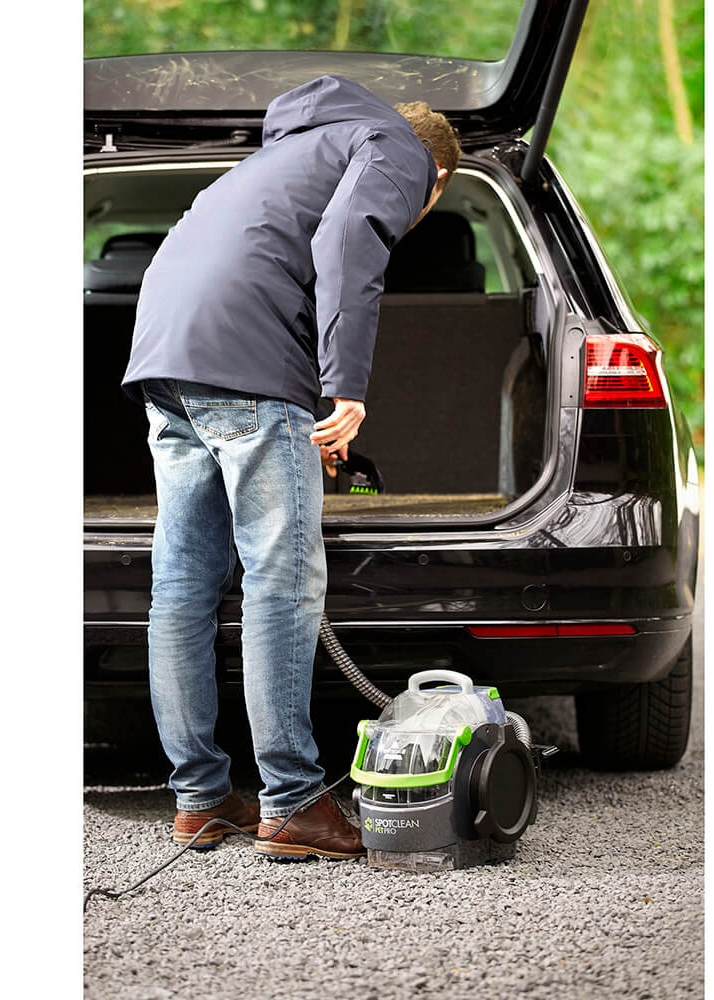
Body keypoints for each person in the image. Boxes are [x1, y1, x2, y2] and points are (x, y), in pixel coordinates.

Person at [121, 74, 462, 861]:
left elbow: (264, 270)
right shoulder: (398, 148)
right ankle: (294, 802)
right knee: (281, 582)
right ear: (438, 177)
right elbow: (346, 243)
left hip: (167, 360)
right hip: (241, 368)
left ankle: (201, 800)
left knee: (182, 586)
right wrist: (346, 389)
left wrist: (302, 407)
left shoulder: (287, 153)